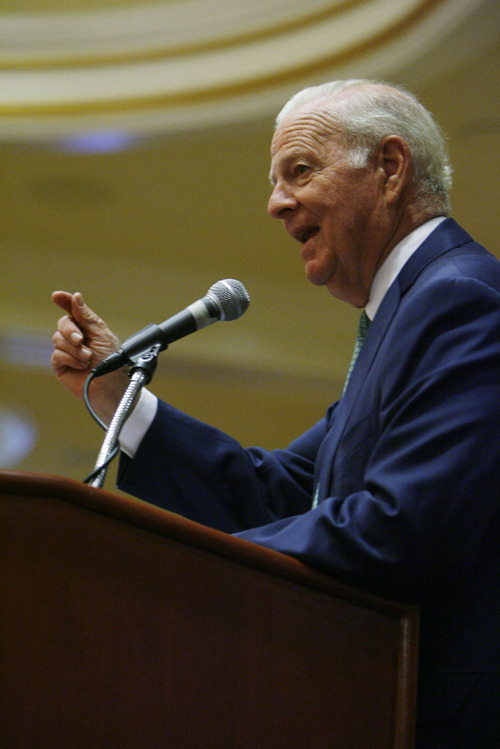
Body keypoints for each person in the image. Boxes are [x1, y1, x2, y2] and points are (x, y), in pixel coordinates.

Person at [52, 80, 499, 748]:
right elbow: (285, 493)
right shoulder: (406, 312)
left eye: (299, 171)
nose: (275, 203)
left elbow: (401, 527)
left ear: (390, 168)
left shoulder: (459, 298)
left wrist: (179, 565)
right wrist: (124, 399)